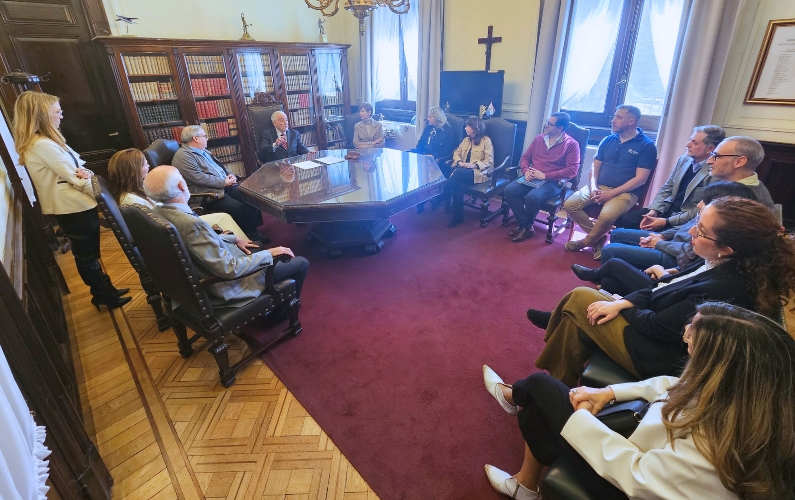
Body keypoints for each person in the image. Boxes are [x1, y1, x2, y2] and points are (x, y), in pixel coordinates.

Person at [482, 302, 795, 500]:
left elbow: (636, 477)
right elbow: (674, 384)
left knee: (540, 389)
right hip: (643, 450)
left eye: (691, 338)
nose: (686, 339)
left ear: (719, 365)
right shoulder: (747, 393)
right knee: (540, 409)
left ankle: (511, 400)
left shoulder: (717, 446)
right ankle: (525, 483)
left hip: (628, 485)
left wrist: (585, 420)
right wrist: (609, 392)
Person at [529, 196, 795, 386]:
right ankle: (557, 383)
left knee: (581, 298)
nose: (692, 231)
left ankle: (550, 378)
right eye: (698, 222)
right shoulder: (718, 260)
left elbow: (656, 326)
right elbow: (664, 285)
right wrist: (622, 303)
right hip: (657, 327)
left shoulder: (726, 286)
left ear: (727, 249)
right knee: (578, 316)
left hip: (661, 357)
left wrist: (619, 303)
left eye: (701, 230)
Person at [12, 91, 130, 310]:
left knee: (90, 252)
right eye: (58, 112)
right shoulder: (42, 145)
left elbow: (80, 167)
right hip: (72, 208)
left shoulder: (48, 141)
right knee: (87, 255)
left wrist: (87, 175)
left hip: (75, 206)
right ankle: (102, 294)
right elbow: (76, 177)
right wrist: (109, 196)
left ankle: (105, 289)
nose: (62, 116)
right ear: (43, 115)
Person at [142, 166, 310, 305]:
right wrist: (270, 253)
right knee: (302, 263)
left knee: (256, 244)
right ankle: (282, 310)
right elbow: (230, 269)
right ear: (181, 185)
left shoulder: (159, 211)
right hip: (228, 285)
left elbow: (196, 244)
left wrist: (234, 238)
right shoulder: (191, 224)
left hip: (208, 268)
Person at [594, 181, 756, 271]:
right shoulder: (709, 212)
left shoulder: (717, 221)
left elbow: (690, 251)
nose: (699, 204)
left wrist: (658, 243)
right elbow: (684, 228)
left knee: (610, 250)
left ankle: (609, 281)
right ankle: (615, 275)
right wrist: (662, 235)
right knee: (618, 233)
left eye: (704, 201)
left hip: (676, 256)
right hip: (671, 243)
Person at [563, 105, 657, 259]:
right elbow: (594, 168)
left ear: (631, 121)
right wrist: (593, 187)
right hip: (598, 186)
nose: (613, 121)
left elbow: (641, 179)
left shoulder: (647, 145)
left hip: (625, 192)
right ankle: (598, 238)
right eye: (614, 116)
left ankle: (587, 241)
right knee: (570, 204)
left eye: (619, 117)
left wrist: (611, 193)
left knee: (606, 216)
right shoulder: (607, 140)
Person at [106, 148, 247, 239]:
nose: (148, 165)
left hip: (178, 220)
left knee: (224, 217)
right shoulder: (131, 200)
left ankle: (242, 245)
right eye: (144, 163)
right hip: (177, 228)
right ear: (133, 170)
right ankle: (245, 251)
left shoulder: (139, 188)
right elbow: (157, 226)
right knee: (224, 220)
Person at [615, 125, 725, 230]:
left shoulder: (716, 173)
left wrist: (667, 221)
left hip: (684, 220)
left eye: (694, 142)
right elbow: (668, 187)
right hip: (665, 209)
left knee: (633, 233)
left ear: (710, 149)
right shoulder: (684, 159)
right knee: (625, 220)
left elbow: (701, 210)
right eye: (690, 140)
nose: (688, 145)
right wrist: (654, 210)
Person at [171, 125, 268, 243]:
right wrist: (223, 182)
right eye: (204, 136)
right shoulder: (183, 156)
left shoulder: (204, 151)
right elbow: (199, 178)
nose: (207, 139)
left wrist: (231, 175)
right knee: (238, 207)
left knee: (252, 197)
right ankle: (245, 235)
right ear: (195, 138)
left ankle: (253, 230)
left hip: (224, 186)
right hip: (208, 193)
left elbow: (220, 166)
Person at [503, 112, 580, 242]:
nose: (546, 125)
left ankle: (525, 227)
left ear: (560, 128)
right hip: (532, 176)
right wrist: (526, 171)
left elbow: (573, 170)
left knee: (532, 197)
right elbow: (525, 158)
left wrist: (545, 175)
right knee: (509, 190)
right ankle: (526, 226)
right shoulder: (539, 139)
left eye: (550, 124)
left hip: (552, 181)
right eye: (547, 122)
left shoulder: (571, 144)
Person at [444, 116, 494, 228]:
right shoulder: (466, 140)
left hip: (478, 172)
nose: (465, 128)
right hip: (463, 171)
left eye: (468, 126)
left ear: (475, 128)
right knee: (458, 185)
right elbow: (456, 152)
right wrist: (460, 162)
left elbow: (489, 161)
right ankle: (457, 219)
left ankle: (444, 190)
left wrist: (474, 165)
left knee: (458, 173)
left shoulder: (486, 141)